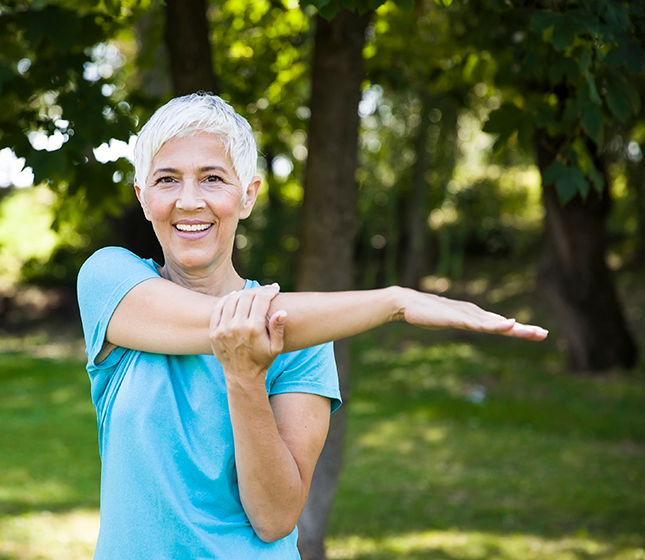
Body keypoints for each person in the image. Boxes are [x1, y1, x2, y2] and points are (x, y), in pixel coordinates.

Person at [77, 92, 547, 559]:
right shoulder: (108, 280)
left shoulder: (305, 338)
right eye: (167, 179)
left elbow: (275, 517)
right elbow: (221, 324)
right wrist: (393, 303)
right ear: (143, 197)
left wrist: (245, 379)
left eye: (213, 178)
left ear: (247, 196)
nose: (189, 200)